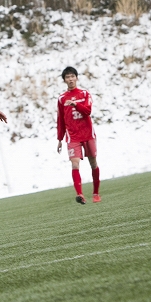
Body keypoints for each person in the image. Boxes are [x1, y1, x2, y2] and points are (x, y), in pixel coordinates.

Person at [56, 67, 100, 204]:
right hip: (72, 136)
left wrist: (75, 104)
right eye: (67, 77)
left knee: (93, 163)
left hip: (88, 134)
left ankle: (96, 193)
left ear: (76, 78)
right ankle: (80, 194)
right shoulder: (62, 99)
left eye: (72, 76)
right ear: (64, 80)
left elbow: (87, 111)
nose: (70, 79)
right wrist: (59, 139)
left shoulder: (85, 94)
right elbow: (61, 120)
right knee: (75, 164)